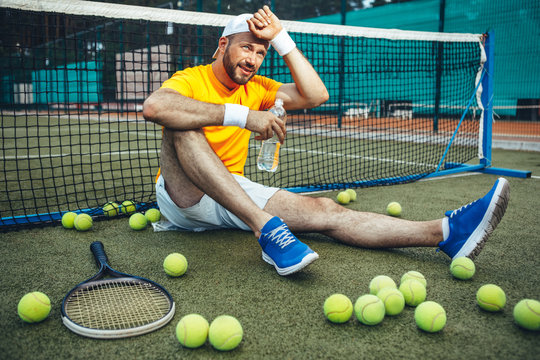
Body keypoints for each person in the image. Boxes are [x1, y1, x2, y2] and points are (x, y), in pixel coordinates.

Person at [142, 6, 510, 276]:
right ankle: (266, 229)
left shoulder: (259, 88)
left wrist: (281, 39)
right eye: (246, 48)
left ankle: (445, 232)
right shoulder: (191, 79)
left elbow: (317, 95)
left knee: (326, 211)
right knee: (180, 120)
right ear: (222, 45)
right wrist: (244, 116)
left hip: (229, 195)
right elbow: (156, 106)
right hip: (181, 195)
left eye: (260, 51)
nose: (253, 58)